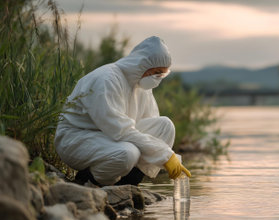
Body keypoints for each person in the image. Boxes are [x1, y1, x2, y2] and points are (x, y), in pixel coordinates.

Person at [54, 36, 191, 187]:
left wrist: (165, 153)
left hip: (110, 137)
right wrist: (165, 155)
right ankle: (91, 181)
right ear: (142, 65)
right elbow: (121, 131)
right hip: (76, 138)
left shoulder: (142, 86)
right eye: (157, 73)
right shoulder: (106, 80)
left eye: (163, 74)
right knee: (127, 153)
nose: (158, 79)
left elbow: (149, 132)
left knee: (165, 127)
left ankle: (128, 185)